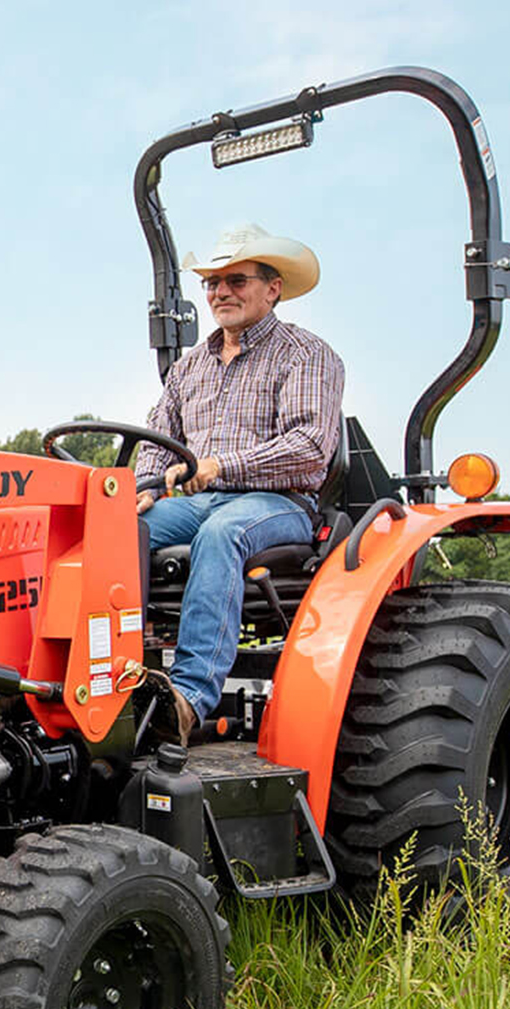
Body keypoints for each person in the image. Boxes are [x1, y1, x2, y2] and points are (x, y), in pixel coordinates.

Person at [135, 222, 344, 742]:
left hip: (280, 503)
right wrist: (145, 486)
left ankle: (187, 698)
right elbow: (158, 440)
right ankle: (107, 674)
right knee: (115, 529)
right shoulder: (189, 369)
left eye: (236, 280)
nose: (220, 292)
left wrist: (223, 465)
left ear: (273, 289)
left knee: (223, 532)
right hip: (199, 501)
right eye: (211, 283)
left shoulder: (307, 355)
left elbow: (310, 448)